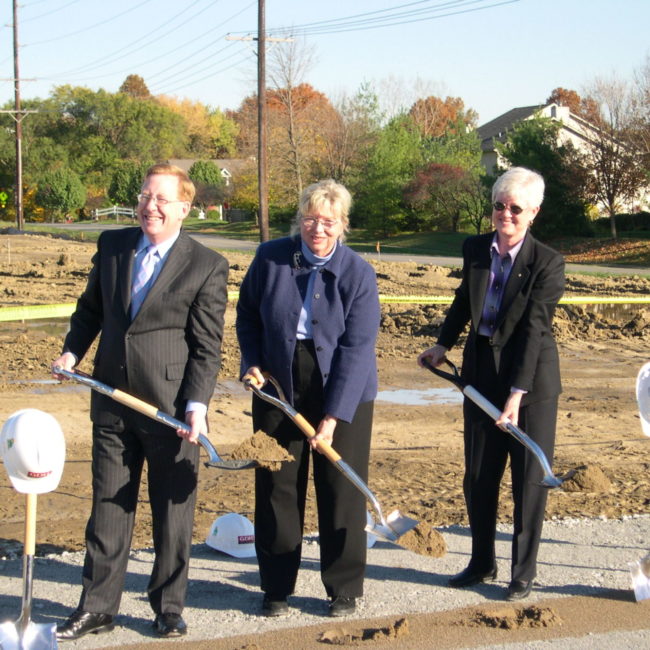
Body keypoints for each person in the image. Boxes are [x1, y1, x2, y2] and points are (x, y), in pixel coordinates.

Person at [52, 163, 229, 639]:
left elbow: (207, 346)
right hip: (111, 397)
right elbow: (91, 310)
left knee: (173, 513)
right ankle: (97, 607)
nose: (150, 206)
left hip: (169, 408)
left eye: (162, 199)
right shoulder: (112, 245)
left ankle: (168, 607)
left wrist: (197, 407)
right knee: (109, 505)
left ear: (184, 208)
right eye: (146, 196)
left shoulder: (206, 264)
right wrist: (72, 351)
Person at [418, 167, 565, 601]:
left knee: (527, 480)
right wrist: (443, 343)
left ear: (533, 213)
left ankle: (523, 571)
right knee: (479, 475)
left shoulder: (548, 263)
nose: (505, 214)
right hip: (480, 373)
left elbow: (534, 331)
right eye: (499, 205)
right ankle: (482, 561)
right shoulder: (476, 249)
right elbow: (464, 299)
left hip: (531, 381)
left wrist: (516, 395)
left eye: (515, 208)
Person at [236, 179, 380, 618]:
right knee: (277, 483)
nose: (317, 229)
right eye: (310, 219)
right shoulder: (270, 257)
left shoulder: (359, 273)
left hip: (343, 384)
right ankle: (276, 587)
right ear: (300, 218)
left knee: (340, 488)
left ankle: (344, 588)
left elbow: (357, 349)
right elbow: (247, 315)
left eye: (328, 222)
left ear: (342, 226)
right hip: (277, 382)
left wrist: (332, 418)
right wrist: (252, 361)